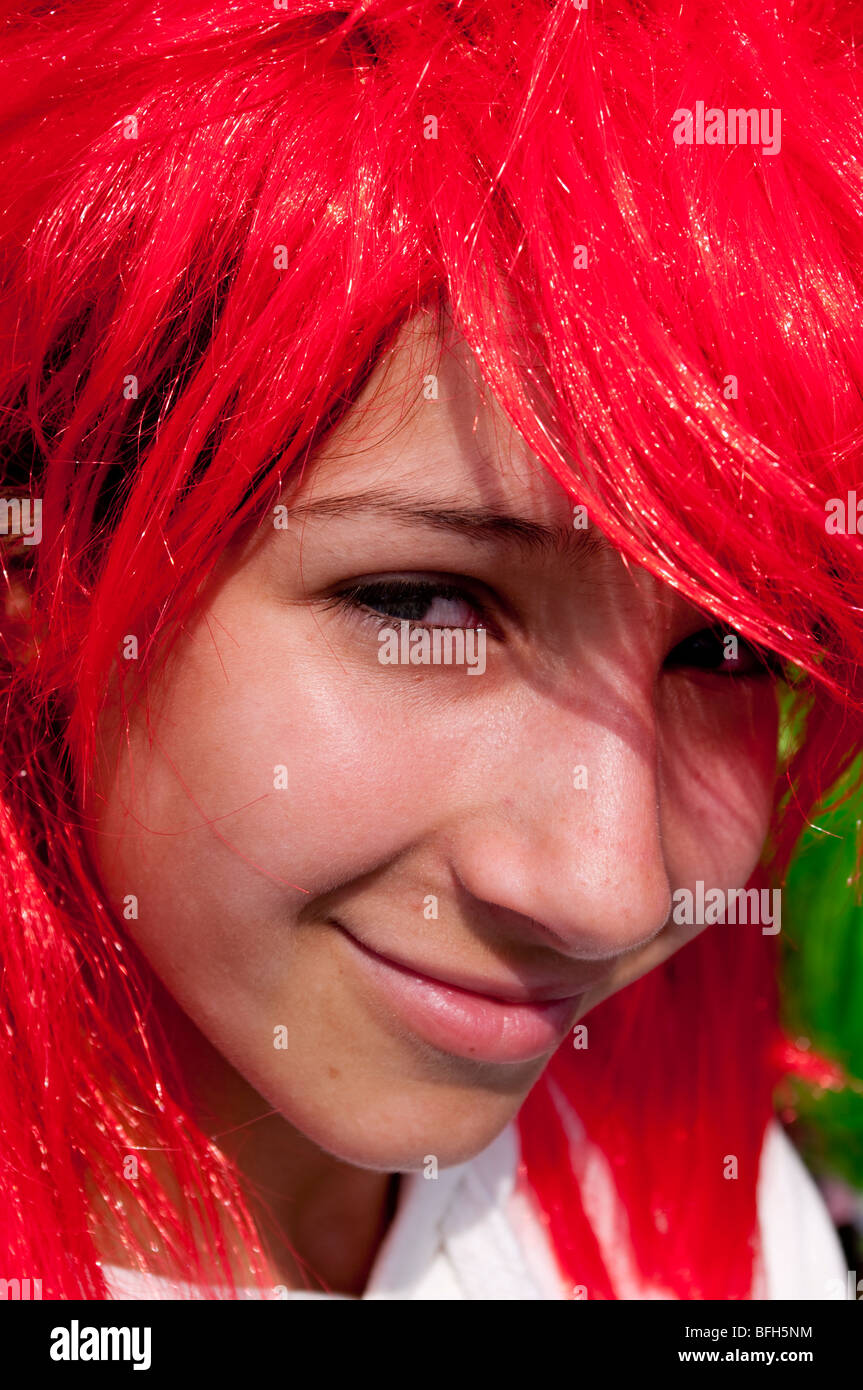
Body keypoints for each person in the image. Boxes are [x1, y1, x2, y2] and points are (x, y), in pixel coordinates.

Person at [1, 0, 860, 1301]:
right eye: (427, 604)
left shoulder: (688, 1212)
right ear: (41, 562)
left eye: (733, 650)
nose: (610, 890)